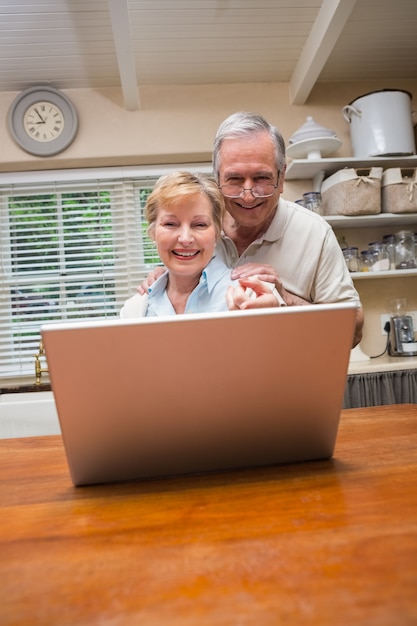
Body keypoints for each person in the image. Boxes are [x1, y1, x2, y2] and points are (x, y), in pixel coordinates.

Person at [138, 112, 364, 346]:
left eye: (261, 178)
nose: (248, 195)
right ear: (217, 179)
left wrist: (283, 298)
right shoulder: (204, 227)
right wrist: (168, 278)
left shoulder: (315, 234)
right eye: (234, 179)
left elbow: (353, 333)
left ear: (282, 176)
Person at [120, 170, 280, 317]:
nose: (185, 239)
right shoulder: (134, 311)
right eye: (170, 224)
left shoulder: (253, 296)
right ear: (153, 232)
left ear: (217, 233)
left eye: (200, 225)